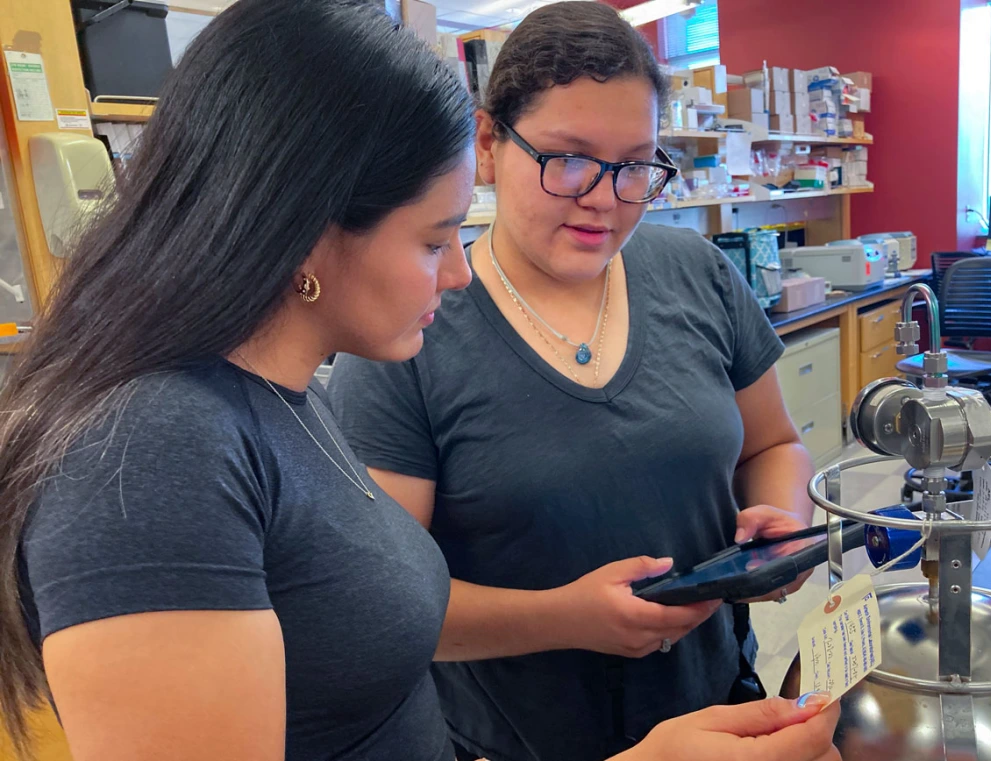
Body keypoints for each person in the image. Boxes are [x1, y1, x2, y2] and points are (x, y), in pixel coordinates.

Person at [0, 1, 840, 761]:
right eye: (435, 241)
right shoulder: (148, 454)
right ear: (304, 229)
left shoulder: (279, 403)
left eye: (634, 168)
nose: (459, 277)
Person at [325, 3, 821, 761]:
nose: (605, 195)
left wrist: (778, 521)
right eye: (569, 158)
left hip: (720, 713)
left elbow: (776, 443)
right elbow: (382, 608)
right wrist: (564, 617)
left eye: (636, 165)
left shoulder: (696, 273)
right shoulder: (406, 330)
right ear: (489, 144)